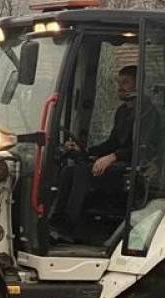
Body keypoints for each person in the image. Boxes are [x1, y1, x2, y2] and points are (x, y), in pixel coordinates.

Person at [51, 65, 138, 239]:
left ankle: (70, 226)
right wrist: (85, 150)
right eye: (119, 83)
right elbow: (112, 142)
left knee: (84, 172)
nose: (120, 87)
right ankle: (55, 221)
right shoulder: (122, 111)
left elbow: (142, 147)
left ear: (139, 84)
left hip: (134, 165)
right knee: (69, 171)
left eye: (126, 82)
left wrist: (113, 157)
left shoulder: (146, 111)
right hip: (118, 160)